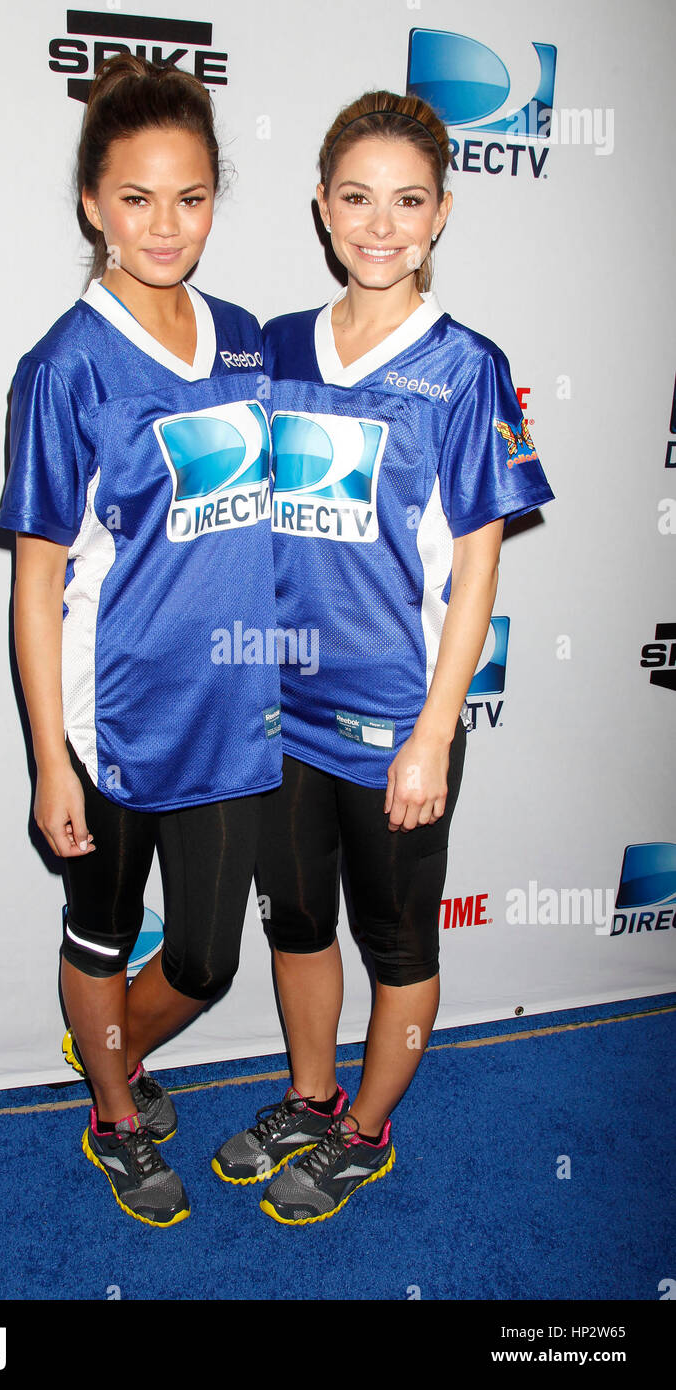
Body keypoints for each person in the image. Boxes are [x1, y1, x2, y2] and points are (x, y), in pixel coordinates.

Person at [212, 90, 554, 1224]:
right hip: (276, 710)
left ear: (442, 213)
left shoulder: (464, 370)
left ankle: (365, 1130)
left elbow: (474, 572)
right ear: (320, 206)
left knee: (396, 943)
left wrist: (430, 735)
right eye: (355, 197)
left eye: (406, 201)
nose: (379, 223)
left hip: (389, 722)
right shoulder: (270, 348)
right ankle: (310, 1096)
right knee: (298, 925)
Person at [0, 54, 280, 1227]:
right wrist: (49, 761)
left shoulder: (252, 338)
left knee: (207, 959)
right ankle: (116, 1109)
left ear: (216, 196)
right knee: (102, 934)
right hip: (105, 723)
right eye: (135, 198)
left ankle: (106, 1057)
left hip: (232, 715)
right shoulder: (64, 368)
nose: (165, 226)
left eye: (191, 196)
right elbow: (35, 582)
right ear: (90, 203)